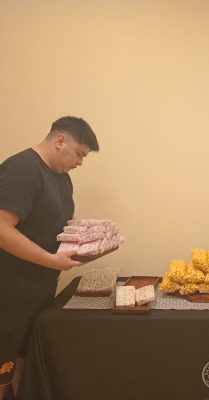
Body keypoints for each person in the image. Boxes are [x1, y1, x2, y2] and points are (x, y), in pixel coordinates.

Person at [0, 116, 99, 399]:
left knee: (25, 364)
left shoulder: (62, 179)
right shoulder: (22, 170)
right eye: (79, 154)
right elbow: (2, 228)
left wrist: (86, 240)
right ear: (60, 141)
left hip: (37, 292)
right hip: (8, 293)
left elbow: (54, 225)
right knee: (3, 371)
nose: (80, 163)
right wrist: (51, 260)